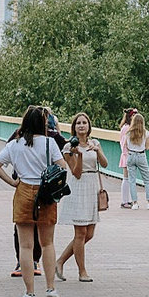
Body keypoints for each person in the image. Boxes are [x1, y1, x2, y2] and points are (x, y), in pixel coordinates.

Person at [0, 105, 68, 297]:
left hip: (23, 190)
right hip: (45, 195)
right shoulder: (50, 143)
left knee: (26, 246)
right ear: (42, 123)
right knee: (47, 243)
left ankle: (29, 292)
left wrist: (13, 182)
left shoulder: (15, 144)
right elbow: (62, 167)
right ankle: (50, 288)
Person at [56, 113, 107, 282]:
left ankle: (60, 261)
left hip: (92, 186)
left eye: (84, 122)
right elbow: (76, 173)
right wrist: (79, 155)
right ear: (74, 127)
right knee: (80, 232)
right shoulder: (68, 147)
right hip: (79, 187)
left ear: (89, 126)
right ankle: (82, 271)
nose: (81, 125)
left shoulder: (95, 143)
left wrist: (98, 151)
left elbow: (105, 164)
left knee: (89, 233)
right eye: (78, 123)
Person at [119, 108, 149, 209]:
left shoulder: (128, 132)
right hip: (141, 156)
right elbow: (147, 147)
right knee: (147, 180)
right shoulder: (146, 133)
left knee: (131, 180)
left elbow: (125, 145)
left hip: (131, 156)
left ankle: (135, 203)